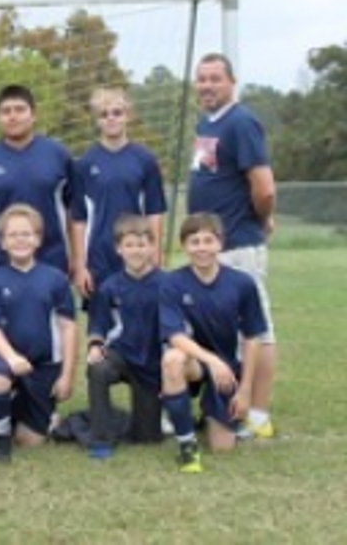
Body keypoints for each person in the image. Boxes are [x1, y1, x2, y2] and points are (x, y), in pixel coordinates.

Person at [188, 52, 277, 439]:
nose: (207, 85)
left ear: (232, 81)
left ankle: (258, 414)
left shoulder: (241, 122)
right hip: (210, 247)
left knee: (256, 329)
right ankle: (228, 407)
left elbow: (264, 188)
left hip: (237, 243)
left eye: (215, 78)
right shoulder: (207, 122)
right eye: (202, 78)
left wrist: (260, 219)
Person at [158, 213, 267, 472]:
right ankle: (187, 446)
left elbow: (252, 337)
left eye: (208, 240)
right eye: (194, 241)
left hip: (227, 368)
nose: (202, 248)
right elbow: (175, 336)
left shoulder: (242, 283)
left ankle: (209, 415)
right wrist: (211, 360)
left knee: (222, 447)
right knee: (172, 359)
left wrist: (245, 390)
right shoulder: (171, 283)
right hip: (195, 363)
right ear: (184, 246)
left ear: (220, 243)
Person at [0, 204, 77, 462]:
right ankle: (0, 440)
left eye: (26, 234)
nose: (20, 240)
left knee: (30, 441)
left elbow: (68, 327)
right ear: (2, 242)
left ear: (38, 239)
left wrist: (67, 375)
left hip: (44, 364)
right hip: (8, 358)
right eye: (12, 235)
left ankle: (15, 409)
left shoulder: (56, 279)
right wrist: (11, 357)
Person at [0, 84, 74, 289]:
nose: (13, 116)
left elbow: (74, 212)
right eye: (6, 111)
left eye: (19, 109)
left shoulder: (59, 155)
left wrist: (76, 258)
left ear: (34, 114)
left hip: (53, 262)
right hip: (0, 265)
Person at [70, 87, 166, 302]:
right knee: (101, 320)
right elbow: (78, 219)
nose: (111, 118)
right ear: (97, 120)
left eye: (117, 112)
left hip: (137, 256)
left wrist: (155, 254)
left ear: (127, 115)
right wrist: (80, 265)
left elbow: (154, 212)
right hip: (99, 258)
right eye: (104, 114)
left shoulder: (145, 159)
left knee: (140, 318)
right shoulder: (84, 163)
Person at [85, 215, 166, 460]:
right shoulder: (110, 287)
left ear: (152, 247)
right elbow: (99, 323)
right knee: (98, 369)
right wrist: (95, 346)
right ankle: (101, 439)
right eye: (129, 245)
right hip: (121, 355)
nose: (136, 251)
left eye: (141, 244)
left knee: (147, 438)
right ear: (119, 249)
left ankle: (145, 419)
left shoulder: (167, 284)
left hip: (152, 362)